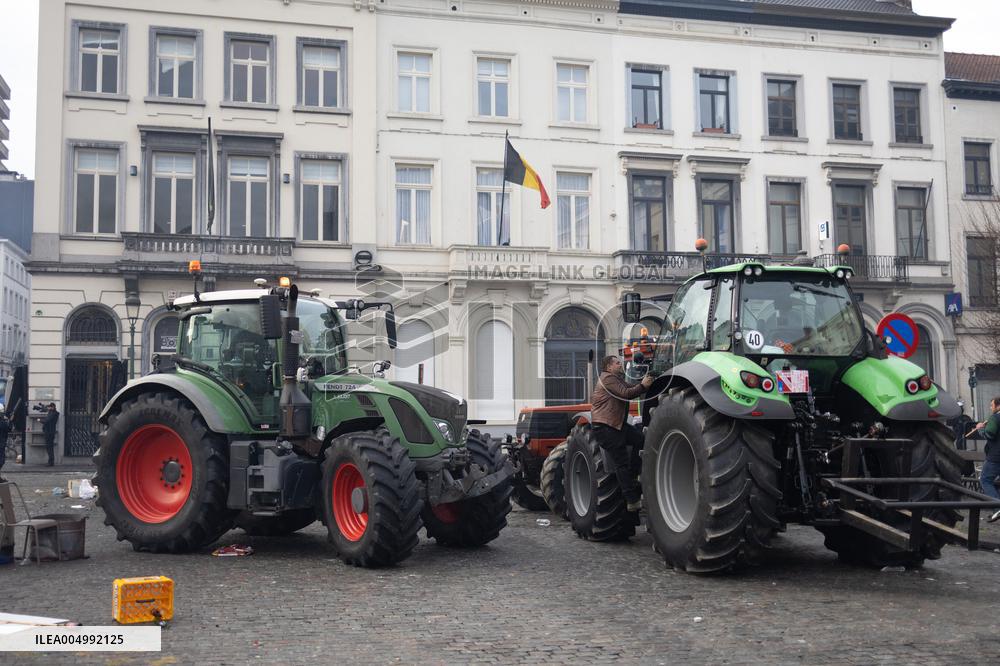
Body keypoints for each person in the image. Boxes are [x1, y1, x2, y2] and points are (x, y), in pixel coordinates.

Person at [589, 355, 654, 512]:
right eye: (617, 363)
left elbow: (631, 387)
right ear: (609, 367)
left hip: (616, 425)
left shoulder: (616, 378)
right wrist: (644, 386)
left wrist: (645, 382)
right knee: (621, 462)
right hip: (606, 427)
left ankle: (634, 475)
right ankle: (632, 500)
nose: (620, 364)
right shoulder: (608, 378)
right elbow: (626, 393)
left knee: (641, 440)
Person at [974, 396, 1000, 522]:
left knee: (985, 480)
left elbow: (989, 434)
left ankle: (997, 507)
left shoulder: (995, 418)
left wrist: (980, 429)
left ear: (998, 406)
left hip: (995, 457)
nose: (991, 408)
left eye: (992, 405)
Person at [42, 403, 59, 467]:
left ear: (52, 407)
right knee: (49, 447)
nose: (48, 408)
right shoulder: (52, 413)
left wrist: (40, 420)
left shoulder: (53, 413)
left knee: (49, 447)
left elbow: (47, 421)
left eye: (49, 407)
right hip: (49, 431)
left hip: (49, 432)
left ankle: (51, 462)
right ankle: (51, 461)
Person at [0, 412, 9, 482]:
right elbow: (8, 429)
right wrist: (10, 421)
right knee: (1, 460)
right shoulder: (3, 423)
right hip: (1, 444)